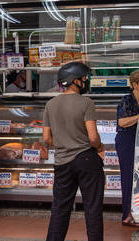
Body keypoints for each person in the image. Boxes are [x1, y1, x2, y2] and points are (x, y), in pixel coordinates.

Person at [43, 62, 105, 241]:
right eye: (84, 78)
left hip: (62, 162)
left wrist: (64, 143)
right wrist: (100, 148)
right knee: (92, 209)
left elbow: (47, 138)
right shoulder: (86, 102)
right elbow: (93, 138)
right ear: (74, 80)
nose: (86, 81)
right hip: (86, 159)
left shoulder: (51, 104)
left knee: (60, 209)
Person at [115, 69, 139, 227]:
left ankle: (138, 212)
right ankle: (127, 215)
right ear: (135, 84)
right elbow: (122, 122)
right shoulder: (127, 100)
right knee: (129, 178)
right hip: (127, 141)